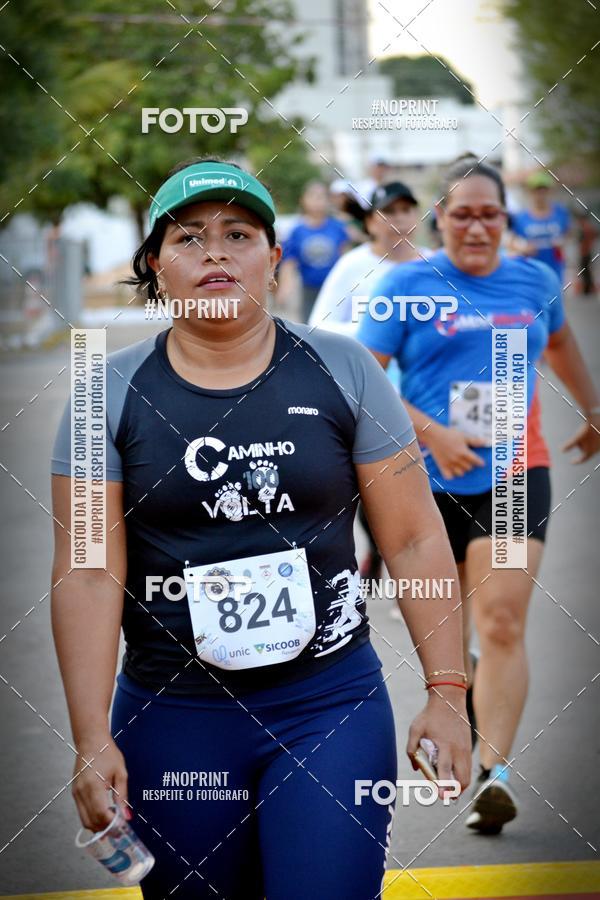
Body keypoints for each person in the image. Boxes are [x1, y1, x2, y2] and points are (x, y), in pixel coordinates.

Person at [50, 158, 471, 899]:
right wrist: (91, 740)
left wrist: (447, 691)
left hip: (328, 706)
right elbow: (88, 572)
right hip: (172, 713)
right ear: (154, 266)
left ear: (273, 261)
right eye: (188, 237)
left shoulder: (344, 368)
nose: (215, 251)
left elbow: (412, 539)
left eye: (238, 233)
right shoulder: (103, 395)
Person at [357, 156, 600, 835]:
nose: (475, 225)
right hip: (420, 490)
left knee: (500, 622)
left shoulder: (535, 279)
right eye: (460, 212)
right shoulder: (405, 285)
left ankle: (494, 774)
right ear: (442, 220)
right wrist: (430, 432)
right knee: (452, 634)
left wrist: (593, 408)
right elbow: (360, 383)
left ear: (505, 217)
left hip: (515, 473)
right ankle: (463, 684)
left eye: (488, 212)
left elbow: (559, 343)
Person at [308, 181, 422, 587]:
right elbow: (319, 325)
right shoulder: (352, 267)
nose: (399, 220)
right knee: (374, 481)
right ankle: (382, 552)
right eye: (389, 212)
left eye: (407, 210)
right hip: (369, 393)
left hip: (422, 395)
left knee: (421, 485)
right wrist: (375, 332)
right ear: (372, 221)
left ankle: (418, 568)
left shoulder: (433, 267)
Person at [276, 181, 349, 321]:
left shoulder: (338, 228)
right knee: (308, 327)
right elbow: (289, 262)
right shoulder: (297, 231)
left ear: (328, 201)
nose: (317, 201)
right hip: (308, 290)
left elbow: (344, 258)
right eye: (312, 196)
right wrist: (285, 287)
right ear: (303, 200)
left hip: (333, 289)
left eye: (321, 196)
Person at [510, 170, 571, 284]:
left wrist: (562, 241)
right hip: (531, 271)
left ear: (549, 191)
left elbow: (569, 233)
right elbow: (512, 243)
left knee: (553, 300)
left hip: (555, 271)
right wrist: (523, 248)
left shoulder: (560, 212)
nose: (540, 194)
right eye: (537, 190)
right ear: (530, 192)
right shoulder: (521, 217)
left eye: (544, 190)